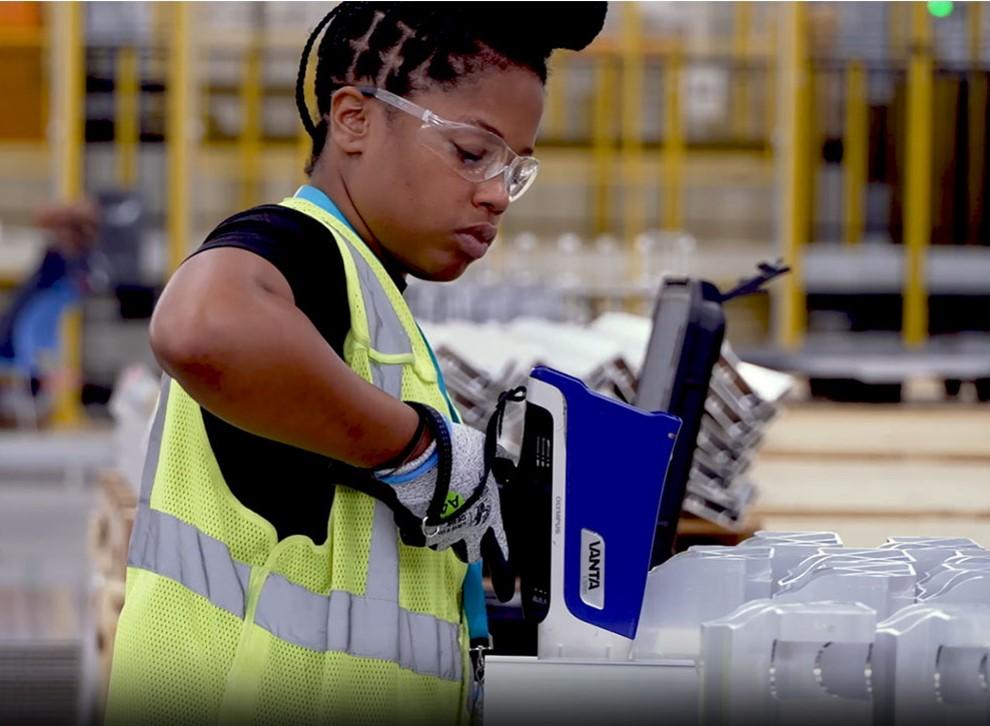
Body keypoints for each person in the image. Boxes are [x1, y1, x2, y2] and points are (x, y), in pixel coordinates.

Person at [104, 3, 606, 725]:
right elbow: (201, 326)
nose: (496, 194)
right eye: (472, 153)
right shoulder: (305, 252)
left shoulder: (375, 300)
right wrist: (417, 451)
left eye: (515, 170)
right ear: (354, 120)